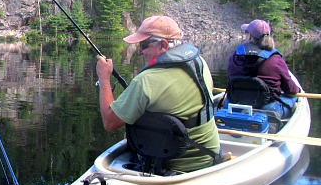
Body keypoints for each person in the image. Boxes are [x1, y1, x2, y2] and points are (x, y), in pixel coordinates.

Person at [96, 15, 221, 174]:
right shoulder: (200, 63)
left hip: (173, 168)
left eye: (144, 45)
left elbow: (109, 122)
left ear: (163, 44)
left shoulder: (145, 81)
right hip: (210, 155)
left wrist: (104, 78)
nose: (140, 52)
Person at [227, 19, 300, 118]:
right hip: (267, 107)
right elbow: (290, 90)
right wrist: (297, 90)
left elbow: (230, 77)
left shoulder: (235, 56)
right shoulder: (275, 59)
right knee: (294, 97)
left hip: (237, 103)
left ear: (250, 36)